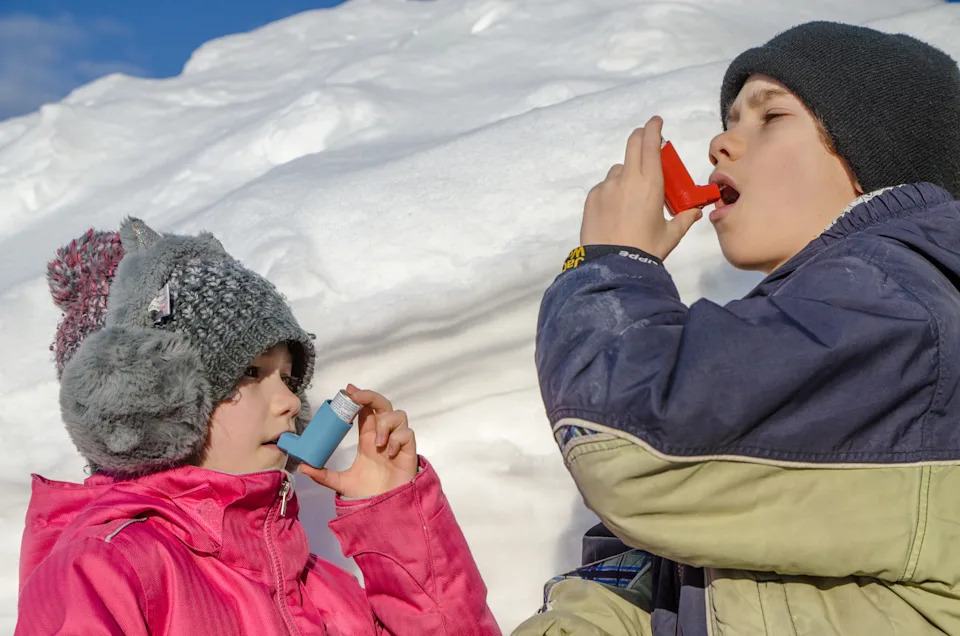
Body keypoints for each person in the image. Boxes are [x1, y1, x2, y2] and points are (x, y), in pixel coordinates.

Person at [514, 21, 960, 636]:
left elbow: (630, 446)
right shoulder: (806, 329)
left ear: (876, 156)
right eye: (730, 120)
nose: (721, 143)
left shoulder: (903, 305)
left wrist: (609, 266)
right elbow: (639, 579)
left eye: (770, 116)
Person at [16, 217, 500, 635]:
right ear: (155, 396)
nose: (291, 400)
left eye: (289, 378)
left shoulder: (321, 589)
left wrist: (396, 523)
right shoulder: (106, 570)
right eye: (250, 370)